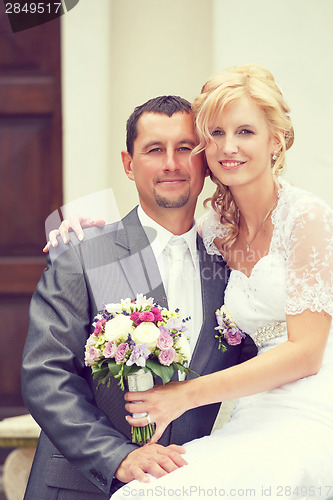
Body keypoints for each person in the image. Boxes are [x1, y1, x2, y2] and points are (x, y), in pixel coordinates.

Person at [109, 65, 333, 500]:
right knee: (142, 492)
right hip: (254, 410)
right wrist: (83, 224)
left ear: (277, 141)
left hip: (316, 407)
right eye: (215, 133)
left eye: (245, 131)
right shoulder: (215, 231)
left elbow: (307, 354)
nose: (228, 148)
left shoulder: (308, 219)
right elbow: (153, 234)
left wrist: (183, 396)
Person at [21, 95, 256, 500]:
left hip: (194, 484)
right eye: (154, 150)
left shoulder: (233, 265)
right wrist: (118, 458)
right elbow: (46, 374)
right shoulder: (85, 252)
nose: (171, 163)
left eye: (185, 148)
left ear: (204, 160)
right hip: (84, 489)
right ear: (129, 165)